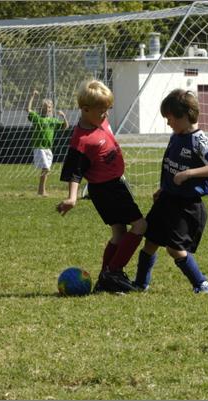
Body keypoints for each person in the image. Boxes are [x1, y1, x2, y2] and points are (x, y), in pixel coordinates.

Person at [133, 89, 208, 293]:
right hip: (166, 199)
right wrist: (163, 188)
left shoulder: (199, 141)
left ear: (184, 115)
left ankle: (201, 284)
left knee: (174, 248)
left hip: (186, 206)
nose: (168, 123)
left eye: (170, 118)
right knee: (150, 242)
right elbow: (170, 166)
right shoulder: (176, 136)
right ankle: (140, 283)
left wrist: (189, 173)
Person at [56, 80, 146, 293]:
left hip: (113, 185)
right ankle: (113, 272)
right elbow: (75, 172)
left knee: (119, 233)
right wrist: (72, 198)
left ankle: (105, 280)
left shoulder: (99, 121)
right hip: (107, 189)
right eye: (101, 111)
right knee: (141, 226)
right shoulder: (82, 140)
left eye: (107, 109)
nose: (106, 115)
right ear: (85, 109)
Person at [27, 89, 69, 196]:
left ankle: (40, 190)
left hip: (48, 148)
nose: (48, 109)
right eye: (45, 107)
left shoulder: (53, 121)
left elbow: (65, 126)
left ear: (52, 108)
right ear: (41, 108)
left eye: (49, 107)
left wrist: (63, 116)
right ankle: (42, 191)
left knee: (47, 169)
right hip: (39, 147)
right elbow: (28, 109)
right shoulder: (37, 118)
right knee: (46, 168)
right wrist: (32, 96)